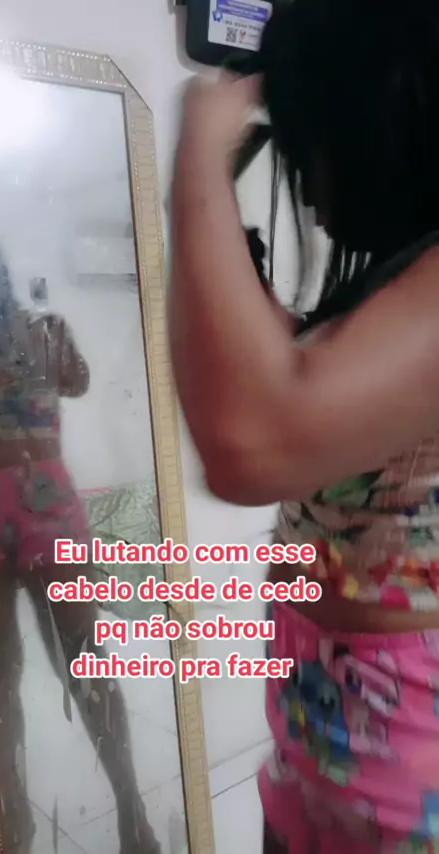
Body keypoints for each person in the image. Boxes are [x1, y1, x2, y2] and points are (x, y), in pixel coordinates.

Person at [169, 1, 439, 851]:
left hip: (407, 772)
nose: (308, 182)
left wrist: (199, 158)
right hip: (315, 733)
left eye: (307, 138)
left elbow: (249, 445)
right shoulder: (398, 292)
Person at [0, 225, 159, 854]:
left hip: (46, 507)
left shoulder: (40, 328)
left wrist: (49, 350)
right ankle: (11, 818)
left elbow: (79, 382)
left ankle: (131, 809)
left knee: (85, 659)